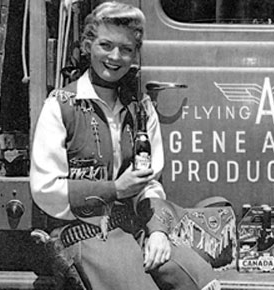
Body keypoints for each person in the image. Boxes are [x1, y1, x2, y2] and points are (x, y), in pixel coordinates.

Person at [30, 2, 219, 290]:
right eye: (106, 45)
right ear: (87, 45)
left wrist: (158, 232)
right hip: (80, 230)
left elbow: (150, 182)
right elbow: (45, 189)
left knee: (197, 277)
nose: (115, 57)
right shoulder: (60, 105)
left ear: (135, 54)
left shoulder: (141, 108)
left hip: (133, 226)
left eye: (126, 49)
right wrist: (114, 190)